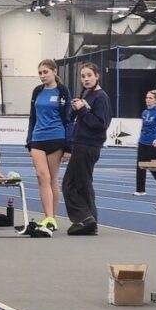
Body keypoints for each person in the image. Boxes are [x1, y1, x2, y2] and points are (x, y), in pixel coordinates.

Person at [62, 62, 112, 236]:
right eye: (83, 76)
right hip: (80, 143)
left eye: (89, 75)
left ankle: (86, 219)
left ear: (97, 76)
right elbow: (77, 119)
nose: (86, 79)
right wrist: (75, 109)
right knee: (80, 183)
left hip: (89, 145)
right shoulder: (87, 94)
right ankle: (88, 220)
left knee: (72, 184)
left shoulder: (101, 97)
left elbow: (101, 123)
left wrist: (83, 110)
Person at [26, 59, 72, 235]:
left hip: (56, 137)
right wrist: (29, 141)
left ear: (54, 71)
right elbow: (32, 117)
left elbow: (68, 118)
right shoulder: (37, 91)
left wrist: (68, 147)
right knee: (41, 177)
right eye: (40, 73)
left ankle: (51, 218)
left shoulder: (62, 91)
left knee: (52, 179)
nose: (42, 76)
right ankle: (48, 216)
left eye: (45, 72)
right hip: (38, 138)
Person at [134, 90, 156, 197]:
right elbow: (143, 128)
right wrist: (140, 139)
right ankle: (140, 190)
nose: (148, 100)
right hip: (142, 142)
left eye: (150, 98)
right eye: (147, 97)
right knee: (140, 166)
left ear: (155, 100)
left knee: (152, 166)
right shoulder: (144, 113)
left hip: (153, 143)